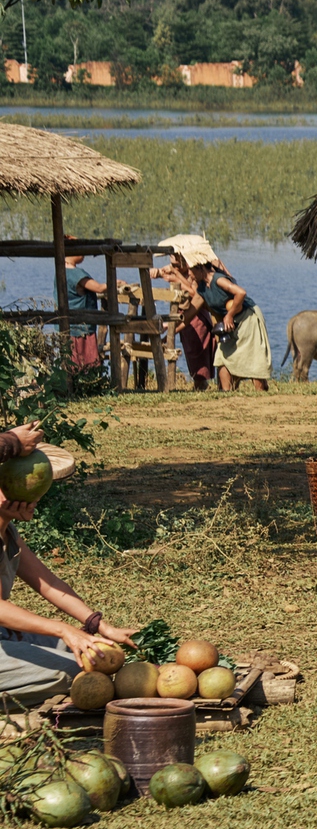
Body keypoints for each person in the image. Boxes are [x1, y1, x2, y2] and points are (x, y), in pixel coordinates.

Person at [0, 424, 143, 707]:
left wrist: (99, 625)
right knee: (71, 671)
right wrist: (63, 628)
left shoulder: (8, 531)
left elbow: (49, 584)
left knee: (97, 653)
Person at [193, 258, 270, 392]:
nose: (190, 274)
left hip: (247, 318)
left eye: (191, 270)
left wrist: (229, 315)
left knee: (252, 356)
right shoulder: (202, 288)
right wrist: (170, 327)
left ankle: (260, 392)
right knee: (222, 357)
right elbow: (190, 312)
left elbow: (241, 292)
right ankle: (225, 393)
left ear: (201, 268)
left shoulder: (218, 279)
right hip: (230, 323)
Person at [156, 235, 219, 390]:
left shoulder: (195, 275)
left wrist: (176, 277)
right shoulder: (182, 271)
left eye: (175, 255)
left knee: (199, 353)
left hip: (196, 318)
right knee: (191, 353)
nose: (172, 258)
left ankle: (201, 384)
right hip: (185, 318)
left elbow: (194, 294)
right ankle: (199, 383)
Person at [61, 250, 107, 369]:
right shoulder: (76, 274)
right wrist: (117, 283)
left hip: (67, 327)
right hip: (81, 329)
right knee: (86, 364)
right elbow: (99, 288)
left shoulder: (60, 272)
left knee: (71, 364)